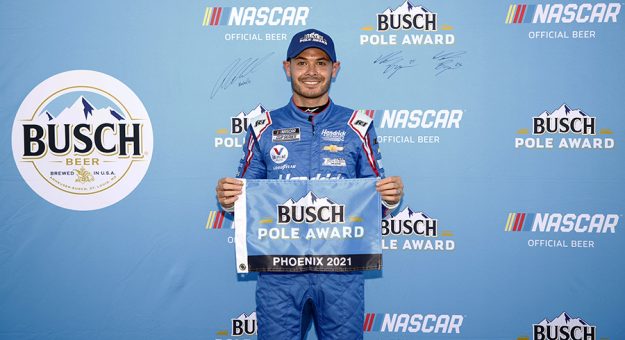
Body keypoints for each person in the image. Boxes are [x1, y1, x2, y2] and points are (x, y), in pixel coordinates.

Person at [216, 28, 404, 340]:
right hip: (279, 274)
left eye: (321, 62)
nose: (312, 72)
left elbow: (374, 204)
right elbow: (245, 200)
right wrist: (227, 199)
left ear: (335, 68)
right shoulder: (262, 126)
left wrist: (391, 200)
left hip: (341, 272)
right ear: (287, 68)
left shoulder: (358, 126)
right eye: (302, 63)